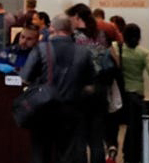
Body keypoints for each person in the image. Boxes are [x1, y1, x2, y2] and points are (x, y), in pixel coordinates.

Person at [20, 15, 96, 163]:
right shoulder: (84, 52)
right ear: (71, 30)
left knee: (42, 152)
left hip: (43, 111)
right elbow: (90, 86)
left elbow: (25, 79)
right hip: (72, 111)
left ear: (52, 29)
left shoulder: (41, 49)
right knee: (70, 153)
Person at [66, 2, 112, 163]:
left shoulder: (73, 38)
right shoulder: (101, 35)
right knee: (96, 139)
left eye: (70, 18)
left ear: (77, 17)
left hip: (80, 89)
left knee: (79, 137)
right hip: (100, 88)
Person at [114, 23, 148, 163]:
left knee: (116, 126)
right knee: (135, 128)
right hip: (136, 95)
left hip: (119, 94)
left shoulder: (116, 48)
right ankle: (132, 155)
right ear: (139, 37)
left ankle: (114, 150)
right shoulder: (143, 53)